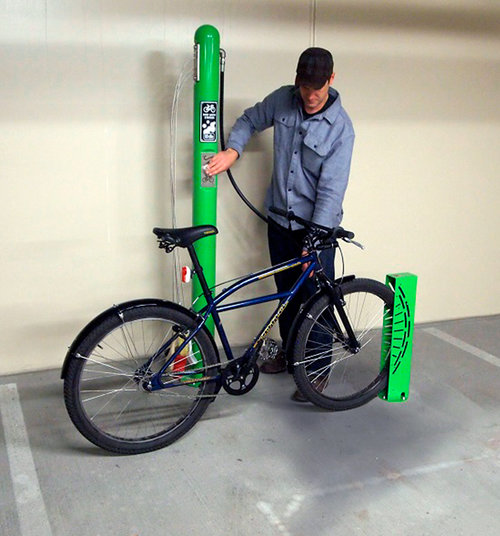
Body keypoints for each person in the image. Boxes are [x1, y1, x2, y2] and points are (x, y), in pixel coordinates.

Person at [206, 47, 355, 401]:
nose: (311, 94)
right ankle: (291, 357)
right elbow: (248, 120)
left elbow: (331, 191)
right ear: (297, 81)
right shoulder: (283, 101)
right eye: (305, 86)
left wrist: (315, 240)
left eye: (318, 86)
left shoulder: (341, 129)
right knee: (287, 294)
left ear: (331, 80)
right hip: (279, 221)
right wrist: (233, 150)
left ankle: (316, 372)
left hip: (315, 228)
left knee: (316, 299)